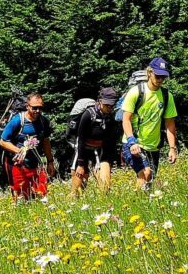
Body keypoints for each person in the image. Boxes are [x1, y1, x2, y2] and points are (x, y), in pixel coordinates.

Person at [121, 58, 179, 188]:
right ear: (149, 73)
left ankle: (142, 204)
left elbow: (170, 124)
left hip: (153, 146)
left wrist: (172, 148)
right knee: (145, 173)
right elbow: (126, 119)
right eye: (158, 76)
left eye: (163, 77)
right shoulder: (136, 92)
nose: (160, 80)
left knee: (150, 180)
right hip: (134, 143)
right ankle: (136, 205)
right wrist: (131, 141)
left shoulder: (166, 96)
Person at [0, 92, 56, 200]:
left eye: (40, 108)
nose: (38, 111)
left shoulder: (44, 122)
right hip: (16, 164)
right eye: (34, 108)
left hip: (36, 162)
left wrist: (50, 161)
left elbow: (45, 141)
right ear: (27, 106)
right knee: (20, 194)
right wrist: (19, 151)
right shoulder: (17, 121)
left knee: (42, 193)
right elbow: (3, 141)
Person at [70, 87, 120, 198]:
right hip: (83, 150)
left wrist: (110, 161)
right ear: (100, 101)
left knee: (105, 186)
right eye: (107, 105)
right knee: (79, 187)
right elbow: (81, 139)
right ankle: (73, 203)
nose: (109, 108)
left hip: (100, 151)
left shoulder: (111, 117)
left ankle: (103, 204)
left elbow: (111, 141)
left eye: (112, 105)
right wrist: (81, 164)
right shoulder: (88, 115)